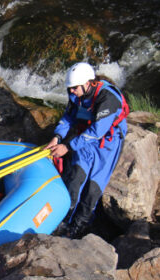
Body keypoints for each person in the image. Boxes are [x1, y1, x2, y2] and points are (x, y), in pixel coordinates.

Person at [46, 62, 129, 238]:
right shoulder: (76, 95)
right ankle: (63, 219)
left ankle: (78, 225)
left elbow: (98, 131)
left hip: (108, 143)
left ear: (88, 83)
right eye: (70, 88)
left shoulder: (108, 98)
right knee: (75, 178)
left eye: (74, 88)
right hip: (85, 139)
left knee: (93, 188)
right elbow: (68, 118)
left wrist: (67, 146)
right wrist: (57, 138)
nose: (71, 92)